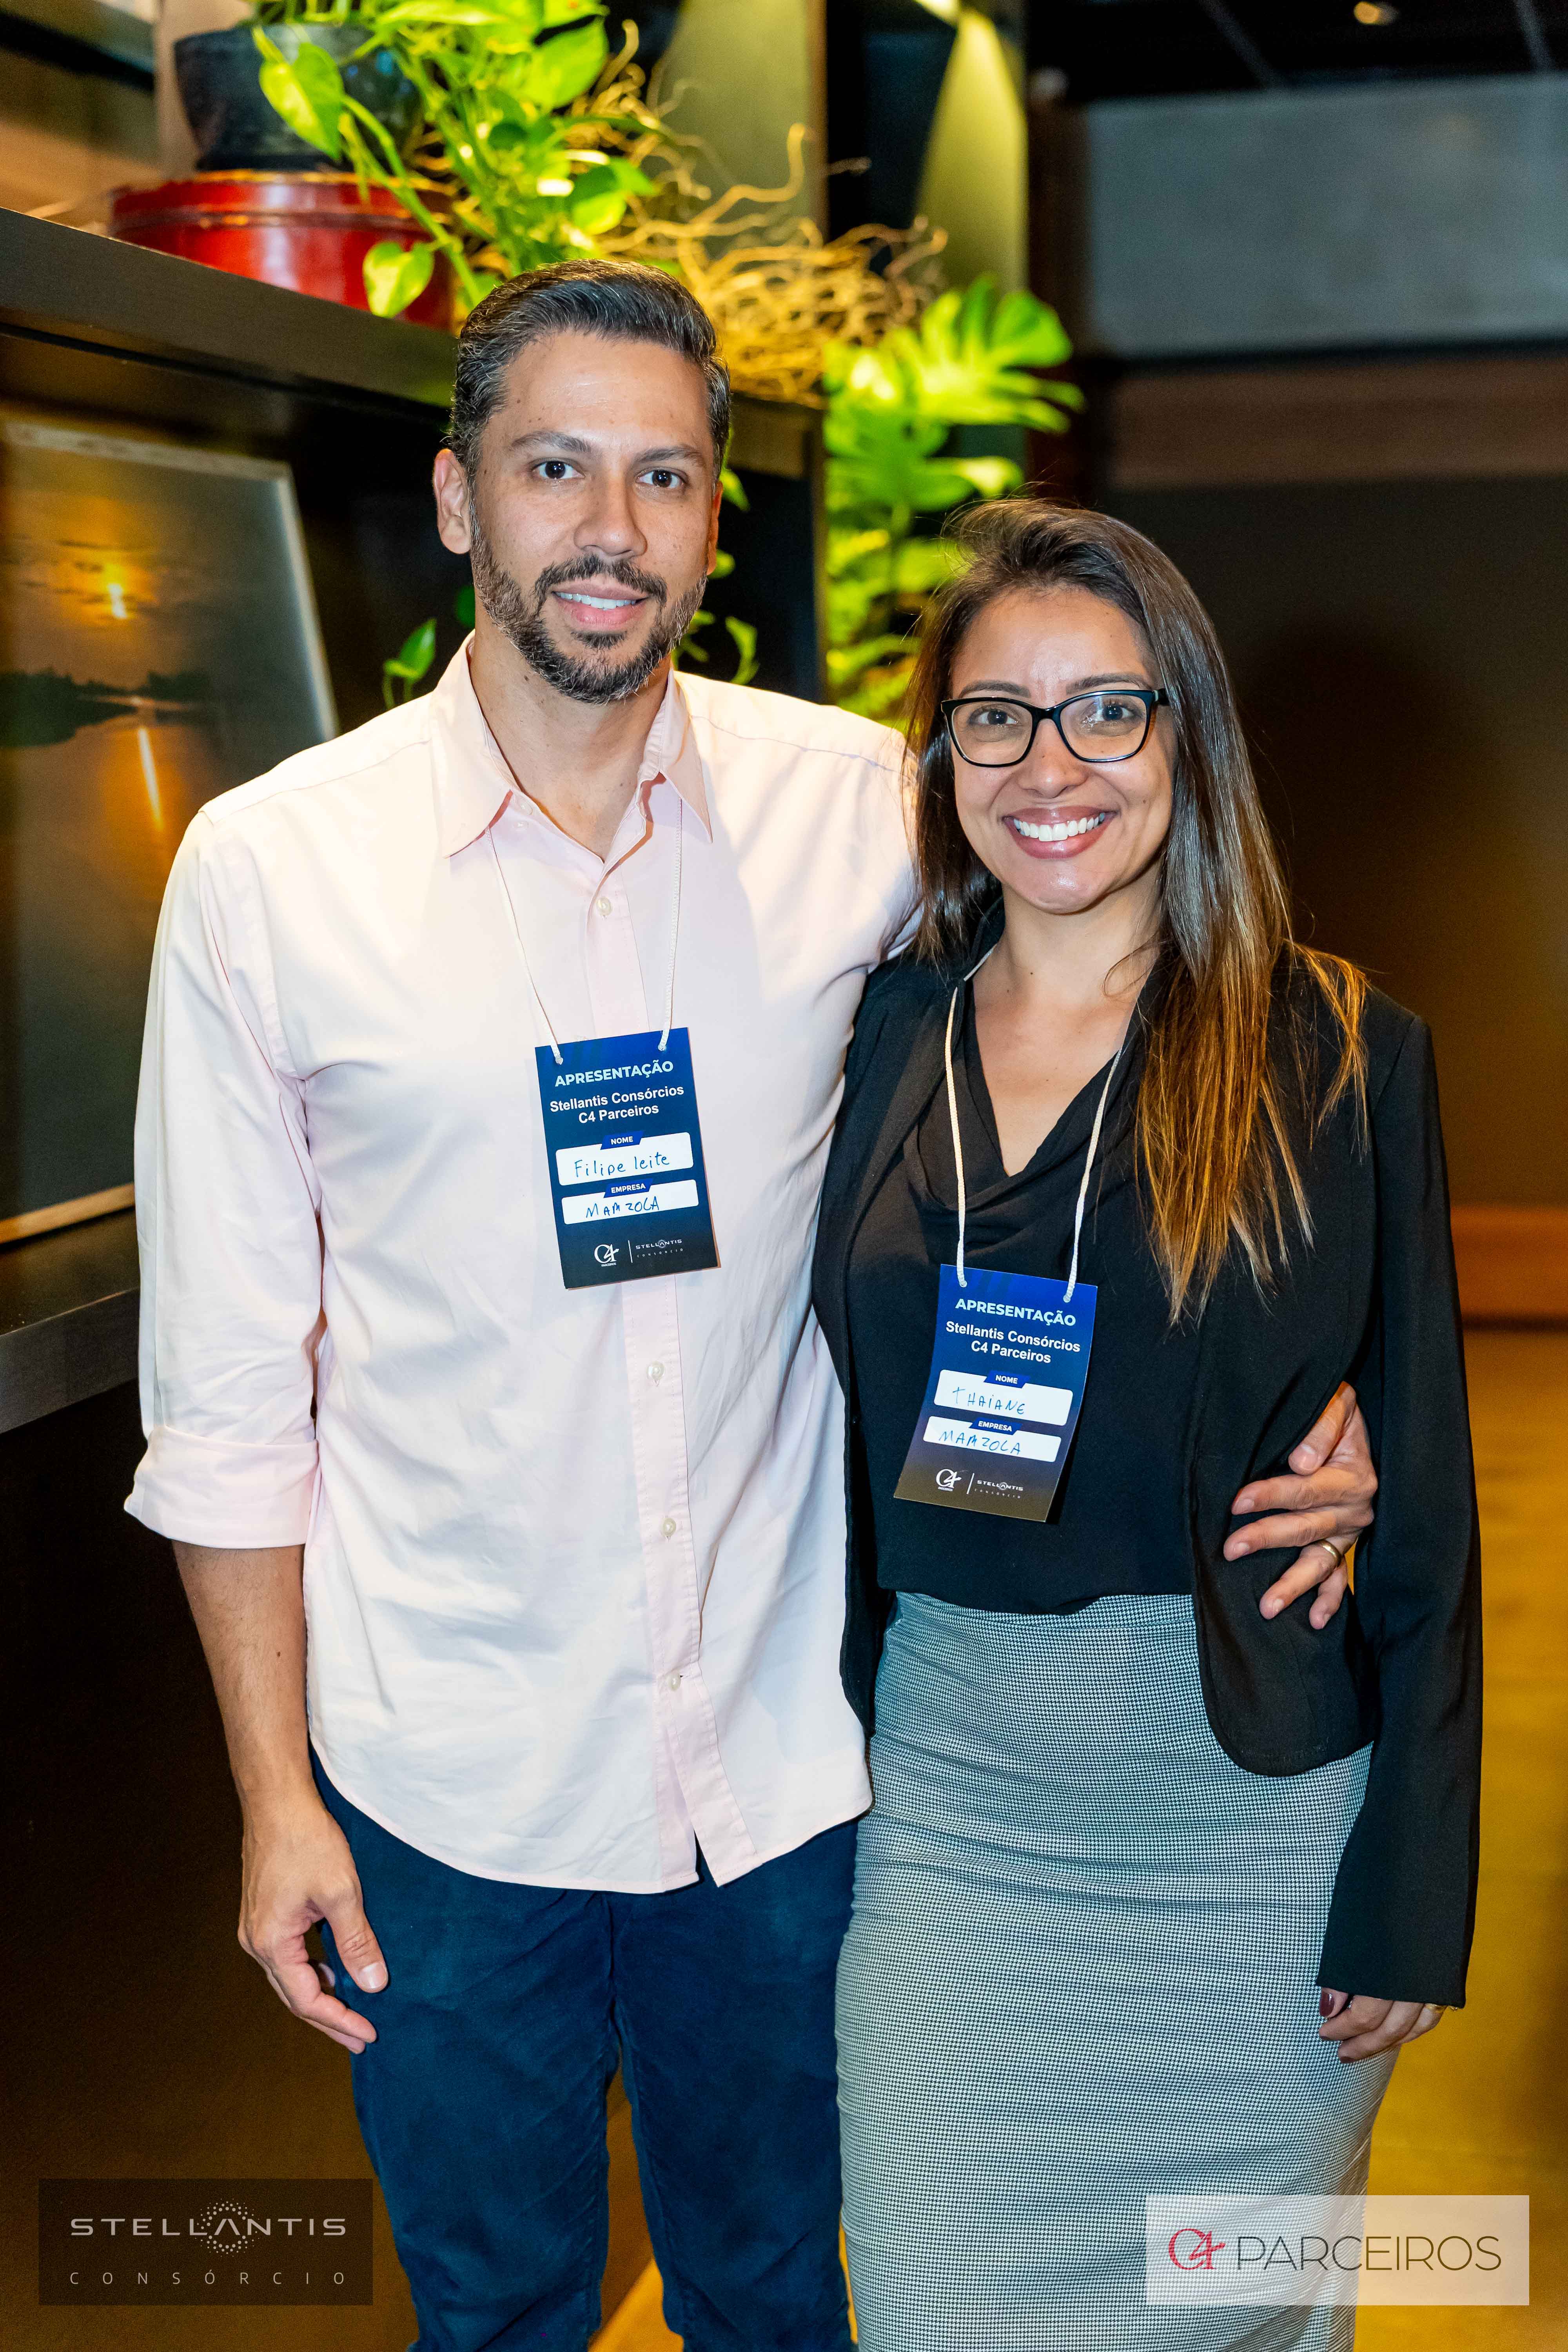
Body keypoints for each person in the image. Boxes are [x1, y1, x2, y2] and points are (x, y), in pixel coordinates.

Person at [127, 265, 1376, 2352]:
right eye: (555, 468)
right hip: (447, 1781)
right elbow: (232, 1399)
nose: (611, 528)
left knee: (782, 2299)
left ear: (715, 518)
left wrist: (1313, 1388)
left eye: (665, 477)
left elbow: (1136, 985)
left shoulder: (857, 811)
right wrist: (275, 1800)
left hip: (791, 1768)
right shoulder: (274, 876)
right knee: (497, 2307)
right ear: (456, 496)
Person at [812, 497, 1482, 2352]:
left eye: (1107, 710)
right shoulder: (871, 1034)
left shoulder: (1335, 1050)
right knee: (933, 2313)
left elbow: (1423, 1505)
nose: (1052, 766)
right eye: (995, 717)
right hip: (946, 1819)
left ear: (1185, 732)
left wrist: (1410, 1888)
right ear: (940, 755)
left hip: (1245, 1843)